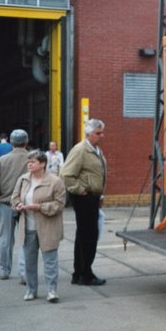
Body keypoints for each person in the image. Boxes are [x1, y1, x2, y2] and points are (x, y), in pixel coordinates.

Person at [13, 150, 66, 302]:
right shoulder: (23, 179)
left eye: (33, 161)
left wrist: (39, 207)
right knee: (29, 261)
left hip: (48, 228)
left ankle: (52, 291)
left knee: (50, 261)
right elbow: (14, 197)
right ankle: (31, 290)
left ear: (42, 164)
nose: (29, 163)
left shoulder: (55, 181)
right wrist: (18, 205)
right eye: (28, 161)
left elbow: (59, 204)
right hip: (28, 228)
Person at [61, 119, 107, 286]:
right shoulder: (81, 150)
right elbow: (66, 174)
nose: (101, 136)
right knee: (88, 236)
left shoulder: (96, 150)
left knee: (85, 236)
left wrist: (99, 195)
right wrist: (81, 190)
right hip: (84, 198)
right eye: (98, 133)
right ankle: (85, 274)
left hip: (93, 197)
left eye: (102, 133)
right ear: (88, 134)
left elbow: (98, 174)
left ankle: (80, 272)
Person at [0, 129, 30, 280]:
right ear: (26, 142)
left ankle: (4, 269)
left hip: (5, 203)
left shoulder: (2, 160)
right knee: (26, 238)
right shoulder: (33, 159)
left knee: (6, 238)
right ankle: (25, 272)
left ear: (11, 143)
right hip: (26, 204)